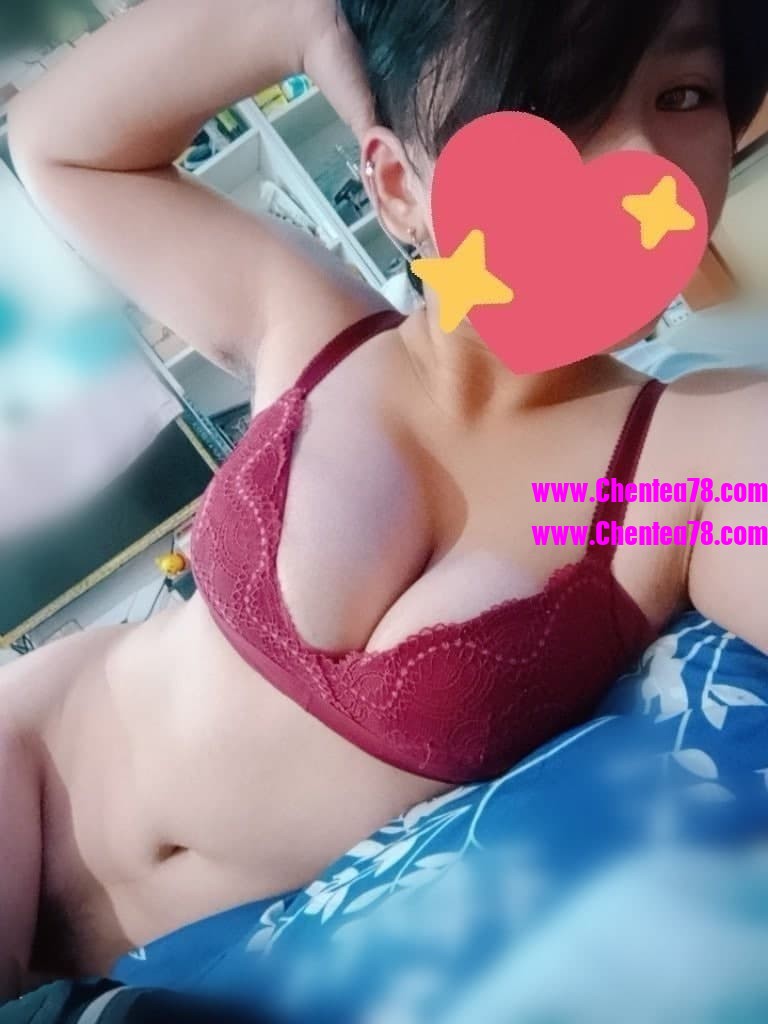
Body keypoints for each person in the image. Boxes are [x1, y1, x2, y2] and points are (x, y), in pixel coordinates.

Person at [2, 0, 767, 1000]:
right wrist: (309, 22)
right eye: (557, 98)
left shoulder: (686, 457)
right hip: (30, 764)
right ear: (399, 188)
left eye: (686, 95)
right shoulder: (310, 326)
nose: (639, 163)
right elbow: (60, 144)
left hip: (144, 977)